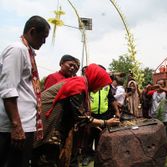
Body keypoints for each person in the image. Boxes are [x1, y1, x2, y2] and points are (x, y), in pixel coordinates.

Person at [31, 63, 120, 166]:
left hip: (51, 122)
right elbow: (81, 118)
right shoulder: (79, 85)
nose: (100, 89)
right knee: (46, 158)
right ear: (96, 79)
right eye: (101, 85)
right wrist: (105, 122)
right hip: (48, 123)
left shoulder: (81, 84)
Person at [0, 15, 50, 167]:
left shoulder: (27, 52)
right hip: (15, 127)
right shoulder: (17, 50)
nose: (44, 42)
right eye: (43, 37)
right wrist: (16, 126)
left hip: (24, 124)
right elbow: (8, 89)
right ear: (32, 31)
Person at [82, 66, 120, 166]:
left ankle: (100, 156)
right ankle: (87, 155)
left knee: (101, 136)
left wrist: (117, 111)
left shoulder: (107, 86)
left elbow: (111, 99)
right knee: (89, 137)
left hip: (104, 115)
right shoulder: (88, 85)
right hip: (91, 114)